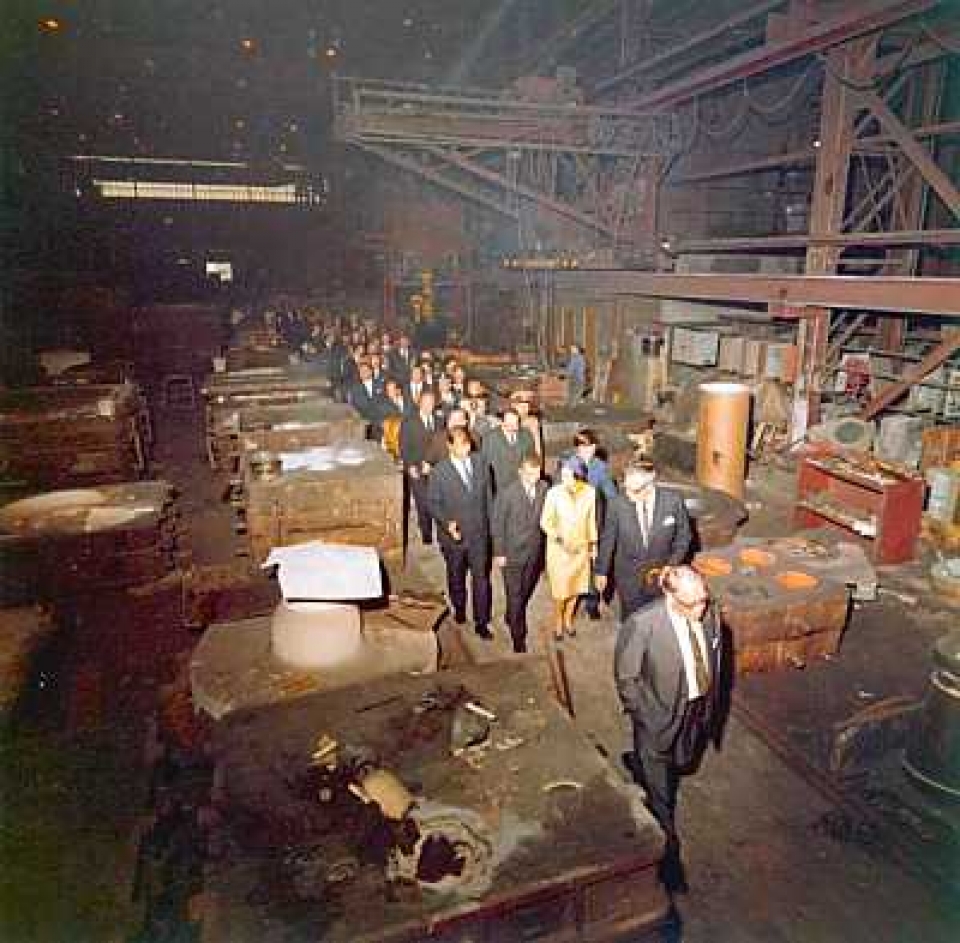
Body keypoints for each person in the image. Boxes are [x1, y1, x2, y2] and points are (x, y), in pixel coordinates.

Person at [614, 565, 726, 892]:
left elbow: (715, 658)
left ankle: (640, 762)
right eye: (692, 604)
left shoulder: (710, 613)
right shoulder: (643, 625)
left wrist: (706, 705)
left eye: (704, 600)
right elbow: (626, 677)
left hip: (695, 710)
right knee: (661, 797)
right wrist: (646, 717)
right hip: (657, 717)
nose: (701, 610)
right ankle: (668, 861)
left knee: (683, 760)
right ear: (669, 595)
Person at [595, 460, 692, 620]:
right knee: (631, 620)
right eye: (626, 488)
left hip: (661, 575)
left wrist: (671, 564)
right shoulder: (616, 504)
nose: (629, 495)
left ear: (651, 480)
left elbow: (684, 537)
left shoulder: (673, 502)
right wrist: (601, 571)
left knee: (658, 618)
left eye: (635, 490)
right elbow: (608, 539)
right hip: (628, 577)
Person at [428, 428, 494, 640]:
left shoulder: (481, 463)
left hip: (479, 535)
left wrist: (492, 530)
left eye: (467, 444)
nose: (466, 449)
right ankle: (460, 609)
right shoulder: (439, 472)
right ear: (449, 446)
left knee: (481, 579)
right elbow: (433, 503)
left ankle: (481, 623)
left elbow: (489, 498)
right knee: (456, 577)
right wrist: (447, 523)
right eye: (460, 445)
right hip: (454, 538)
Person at [492, 454, 548, 653]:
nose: (534, 478)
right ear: (520, 472)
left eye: (537, 474)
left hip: (534, 551)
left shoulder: (544, 488)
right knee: (515, 594)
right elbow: (497, 525)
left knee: (526, 588)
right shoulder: (507, 493)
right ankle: (518, 636)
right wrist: (499, 552)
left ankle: (511, 614)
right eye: (529, 474)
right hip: (511, 552)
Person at [539, 456, 597, 641]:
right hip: (559, 550)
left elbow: (591, 521)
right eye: (562, 474)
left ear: (578, 476)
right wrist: (559, 539)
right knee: (560, 591)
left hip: (580, 549)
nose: (563, 478)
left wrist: (593, 545)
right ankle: (558, 620)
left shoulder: (590, 492)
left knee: (576, 588)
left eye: (567, 475)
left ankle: (568, 619)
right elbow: (545, 522)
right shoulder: (553, 493)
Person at [574, 428, 618, 619]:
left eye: (591, 446)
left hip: (594, 521)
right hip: (574, 522)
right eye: (583, 447)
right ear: (577, 448)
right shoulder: (568, 466)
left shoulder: (600, 467)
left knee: (594, 562)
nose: (588, 451)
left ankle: (592, 602)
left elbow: (611, 495)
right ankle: (572, 598)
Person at [399, 390, 443, 545]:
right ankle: (426, 534)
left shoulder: (440, 421)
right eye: (426, 402)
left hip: (436, 469)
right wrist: (411, 466)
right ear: (419, 403)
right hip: (416, 469)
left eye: (431, 403)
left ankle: (442, 533)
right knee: (423, 503)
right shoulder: (409, 422)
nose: (429, 406)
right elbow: (403, 447)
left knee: (438, 501)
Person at [481, 407, 535, 496]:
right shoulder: (490, 438)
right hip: (500, 488)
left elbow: (531, 458)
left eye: (516, 423)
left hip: (521, 486)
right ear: (502, 423)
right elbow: (485, 464)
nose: (515, 426)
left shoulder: (526, 435)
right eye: (510, 424)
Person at [348, 362, 383, 437]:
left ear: (371, 371)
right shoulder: (354, 389)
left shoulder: (381, 384)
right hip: (365, 421)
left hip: (382, 419)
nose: (363, 373)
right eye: (361, 371)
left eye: (365, 370)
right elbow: (353, 406)